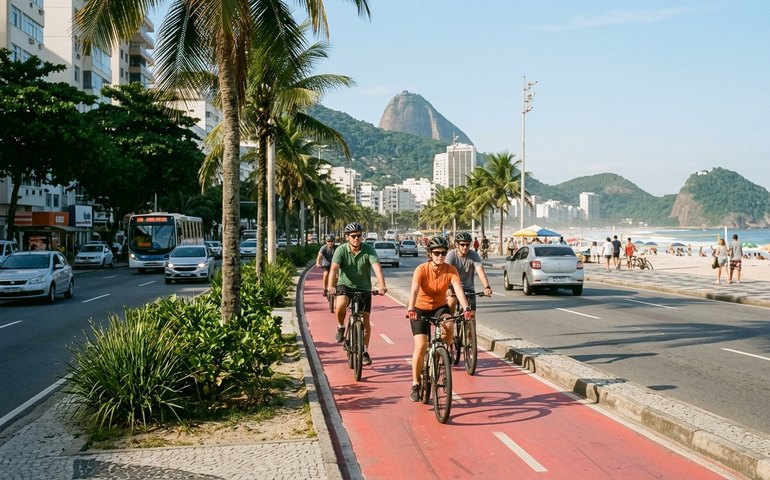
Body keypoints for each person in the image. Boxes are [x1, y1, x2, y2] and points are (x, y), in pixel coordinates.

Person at [406, 237, 473, 402]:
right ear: (430, 254)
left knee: (449, 323)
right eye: (436, 253)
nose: (440, 256)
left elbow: (458, 290)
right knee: (421, 346)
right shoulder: (421, 269)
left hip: (439, 307)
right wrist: (411, 308)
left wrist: (466, 309)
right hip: (420, 309)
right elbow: (414, 290)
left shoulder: (451, 270)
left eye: (443, 253)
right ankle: (415, 383)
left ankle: (446, 349)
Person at [327, 222, 388, 367]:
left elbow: (377, 268)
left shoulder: (369, 250)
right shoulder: (340, 250)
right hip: (345, 285)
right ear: (347, 237)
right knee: (341, 304)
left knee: (365, 320)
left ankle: (364, 351)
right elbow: (334, 269)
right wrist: (330, 286)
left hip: (364, 288)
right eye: (353, 236)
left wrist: (382, 285)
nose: (356, 239)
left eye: (359, 236)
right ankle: (341, 327)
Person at [445, 232, 493, 330]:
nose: (465, 247)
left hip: (468, 288)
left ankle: (471, 339)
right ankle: (450, 325)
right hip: (453, 287)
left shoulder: (474, 255)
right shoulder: (451, 255)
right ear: (456, 244)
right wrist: (447, 288)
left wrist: (486, 287)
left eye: (467, 244)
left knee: (472, 315)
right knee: (451, 301)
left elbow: (480, 271)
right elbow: (445, 273)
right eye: (462, 244)